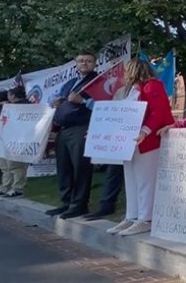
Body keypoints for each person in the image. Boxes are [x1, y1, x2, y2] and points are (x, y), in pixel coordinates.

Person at [106, 58, 175, 236]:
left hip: (148, 141)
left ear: (134, 70)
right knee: (132, 180)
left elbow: (158, 111)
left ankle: (146, 218)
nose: (125, 75)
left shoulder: (152, 86)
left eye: (127, 71)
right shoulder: (133, 90)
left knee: (145, 181)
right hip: (131, 142)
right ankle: (132, 216)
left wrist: (145, 131)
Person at [46, 52, 98, 219]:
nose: (84, 63)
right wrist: (54, 101)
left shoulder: (98, 81)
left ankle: (80, 205)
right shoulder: (70, 83)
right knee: (64, 167)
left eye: (88, 61)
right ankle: (67, 202)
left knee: (80, 167)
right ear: (76, 64)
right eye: (81, 61)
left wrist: (83, 101)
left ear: (94, 64)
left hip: (81, 127)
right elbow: (55, 96)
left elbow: (106, 103)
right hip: (63, 129)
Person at [84, 84, 130, 221]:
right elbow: (113, 112)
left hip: (137, 136)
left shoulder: (146, 89)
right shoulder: (121, 91)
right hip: (119, 137)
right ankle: (106, 205)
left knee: (134, 177)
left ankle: (133, 211)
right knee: (113, 171)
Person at [0, 86, 31, 197]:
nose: (8, 97)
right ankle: (5, 187)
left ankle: (17, 188)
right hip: (6, 138)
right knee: (5, 165)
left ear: (13, 95)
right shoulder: (9, 106)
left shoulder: (26, 106)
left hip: (18, 139)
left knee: (16, 165)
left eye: (9, 94)